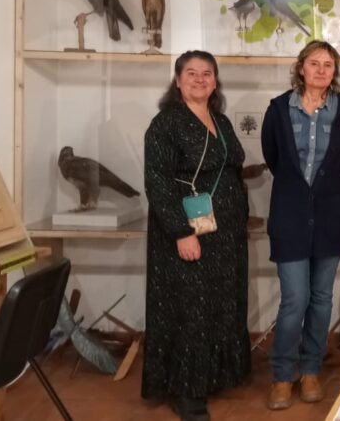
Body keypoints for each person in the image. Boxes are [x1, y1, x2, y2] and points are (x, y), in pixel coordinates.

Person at [142, 51, 250, 421]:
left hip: (224, 236)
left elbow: (232, 170)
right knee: (190, 309)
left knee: (217, 305)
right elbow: (157, 183)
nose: (200, 79)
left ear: (215, 82)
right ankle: (187, 393)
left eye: (207, 73)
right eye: (192, 73)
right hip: (188, 233)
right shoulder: (166, 124)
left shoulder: (219, 120)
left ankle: (211, 376)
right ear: (177, 80)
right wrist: (180, 232)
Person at [261, 40, 340, 410]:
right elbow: (274, 157)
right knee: (294, 299)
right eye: (314, 63)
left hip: (331, 214)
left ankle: (311, 370)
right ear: (300, 68)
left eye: (328, 64)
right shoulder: (277, 109)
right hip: (289, 214)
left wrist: (318, 187)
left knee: (321, 298)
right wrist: (300, 191)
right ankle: (283, 375)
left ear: (335, 71)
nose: (321, 70)